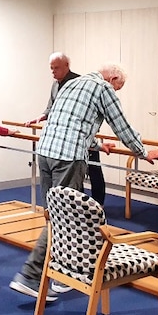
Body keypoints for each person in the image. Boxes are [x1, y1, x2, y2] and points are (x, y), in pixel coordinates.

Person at [10, 63, 158, 301]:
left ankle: (61, 275)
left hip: (45, 153)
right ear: (112, 78)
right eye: (118, 87)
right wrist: (142, 152)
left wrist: (98, 145)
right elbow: (121, 125)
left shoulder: (71, 84)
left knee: (54, 214)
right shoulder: (103, 88)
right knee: (63, 219)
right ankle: (32, 275)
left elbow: (70, 126)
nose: (116, 92)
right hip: (67, 159)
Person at [25, 52, 107, 205]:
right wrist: (42, 116)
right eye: (51, 68)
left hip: (82, 135)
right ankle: (75, 209)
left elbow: (92, 113)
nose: (53, 72)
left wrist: (93, 139)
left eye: (56, 68)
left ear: (66, 66)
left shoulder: (79, 82)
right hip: (62, 141)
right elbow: (52, 107)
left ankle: (98, 204)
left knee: (94, 170)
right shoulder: (55, 85)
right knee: (71, 177)